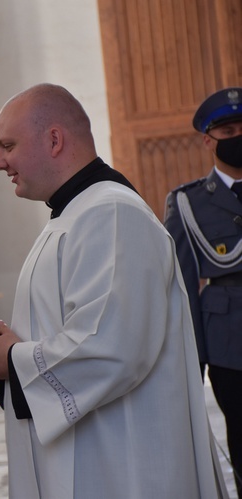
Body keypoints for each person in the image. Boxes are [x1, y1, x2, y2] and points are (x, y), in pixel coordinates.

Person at [0, 83, 228, 498]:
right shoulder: (75, 214)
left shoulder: (109, 213)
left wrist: (15, 358)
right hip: (97, 453)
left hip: (124, 465)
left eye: (8, 145)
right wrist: (9, 348)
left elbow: (112, 347)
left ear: (54, 139)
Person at [165, 87, 242, 496]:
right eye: (228, 130)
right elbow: (182, 291)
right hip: (230, 345)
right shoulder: (188, 204)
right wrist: (191, 364)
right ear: (209, 139)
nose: (238, 136)